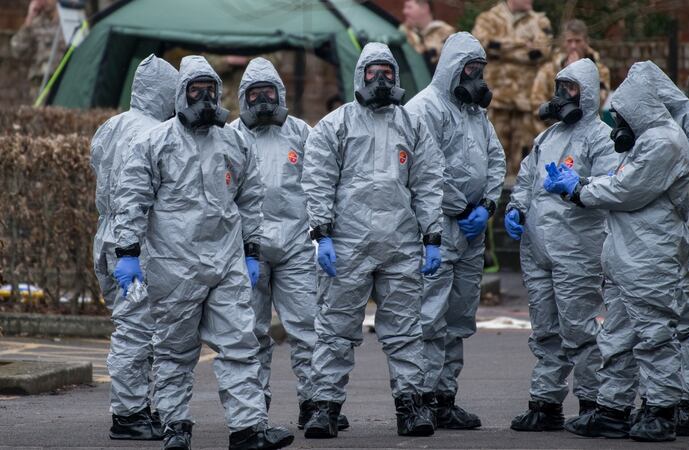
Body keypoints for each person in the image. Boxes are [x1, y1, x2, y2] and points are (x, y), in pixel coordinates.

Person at [112, 55, 293, 450]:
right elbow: (132, 200)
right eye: (196, 90)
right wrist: (127, 250)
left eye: (210, 90)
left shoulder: (233, 141)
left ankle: (248, 429)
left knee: (241, 344)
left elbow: (250, 198)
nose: (205, 98)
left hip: (225, 263)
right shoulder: (154, 143)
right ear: (182, 94)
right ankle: (175, 426)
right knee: (175, 351)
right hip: (173, 265)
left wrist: (251, 249)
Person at [300, 42, 444, 439]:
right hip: (348, 245)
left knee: (405, 331)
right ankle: (324, 408)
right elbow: (318, 181)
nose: (379, 79)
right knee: (334, 330)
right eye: (372, 72)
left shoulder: (412, 125)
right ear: (359, 75)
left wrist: (432, 236)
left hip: (400, 244)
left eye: (386, 72)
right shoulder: (336, 125)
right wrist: (322, 234)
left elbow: (428, 183)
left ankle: (411, 408)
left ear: (395, 76)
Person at [544, 68, 689, 442]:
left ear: (638, 109)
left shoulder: (663, 142)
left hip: (649, 256)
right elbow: (619, 183)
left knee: (654, 336)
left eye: (621, 116)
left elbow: (626, 190)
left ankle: (661, 411)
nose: (618, 125)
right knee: (618, 338)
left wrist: (579, 189)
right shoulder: (647, 141)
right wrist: (584, 184)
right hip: (628, 256)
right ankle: (613, 410)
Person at [230, 56, 350, 432]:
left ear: (280, 94)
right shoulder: (230, 136)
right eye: (255, 94)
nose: (263, 100)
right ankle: (253, 409)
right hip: (247, 248)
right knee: (250, 333)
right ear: (243, 97)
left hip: (296, 244)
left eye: (269, 92)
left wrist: (323, 233)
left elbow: (319, 183)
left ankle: (315, 404)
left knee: (308, 326)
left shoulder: (301, 133)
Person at [503, 58, 617, 432]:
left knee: (580, 328)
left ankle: (593, 401)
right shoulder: (546, 138)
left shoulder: (602, 138)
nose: (563, 95)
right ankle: (546, 403)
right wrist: (517, 208)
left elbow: (611, 188)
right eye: (561, 87)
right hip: (538, 249)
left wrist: (577, 187)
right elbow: (526, 181)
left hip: (577, 249)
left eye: (571, 88)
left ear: (588, 93)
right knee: (545, 330)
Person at [405, 31, 506, 430]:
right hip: (435, 228)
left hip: (471, 230)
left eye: (480, 69)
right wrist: (462, 207)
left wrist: (488, 206)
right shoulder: (424, 108)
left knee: (459, 317)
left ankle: (445, 398)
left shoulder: (475, 113)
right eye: (470, 69)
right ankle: (421, 397)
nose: (476, 77)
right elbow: (425, 170)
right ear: (452, 67)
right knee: (429, 316)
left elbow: (495, 159)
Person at [627, 60, 689, 437]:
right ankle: (662, 398)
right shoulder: (651, 125)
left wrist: (647, 185)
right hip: (664, 222)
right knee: (660, 311)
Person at [91, 54, 177, 441]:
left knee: (130, 324)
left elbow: (99, 168)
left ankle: (136, 407)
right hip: (136, 242)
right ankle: (128, 415)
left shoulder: (111, 126)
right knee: (137, 328)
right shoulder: (157, 133)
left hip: (108, 234)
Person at [472, 0, 552, 180]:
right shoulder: (488, 19)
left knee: (523, 161)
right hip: (495, 101)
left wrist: (499, 48)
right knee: (490, 155)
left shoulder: (540, 22)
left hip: (525, 103)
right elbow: (481, 46)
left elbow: (542, 52)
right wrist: (523, 45)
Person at [530, 19, 611, 137]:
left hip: (589, 132)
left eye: (578, 41)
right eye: (569, 41)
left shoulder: (600, 70)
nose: (573, 46)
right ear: (564, 43)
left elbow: (599, 101)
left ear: (586, 42)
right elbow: (536, 104)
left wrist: (578, 75)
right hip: (556, 131)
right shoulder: (549, 70)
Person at [10, 0, 64, 102]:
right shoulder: (35, 23)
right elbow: (17, 51)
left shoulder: (68, 23)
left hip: (63, 87)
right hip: (39, 88)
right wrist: (29, 19)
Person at [400, 0, 456, 70]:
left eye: (409, 7)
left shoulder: (446, 34)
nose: (404, 12)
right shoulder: (403, 32)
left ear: (425, 8)